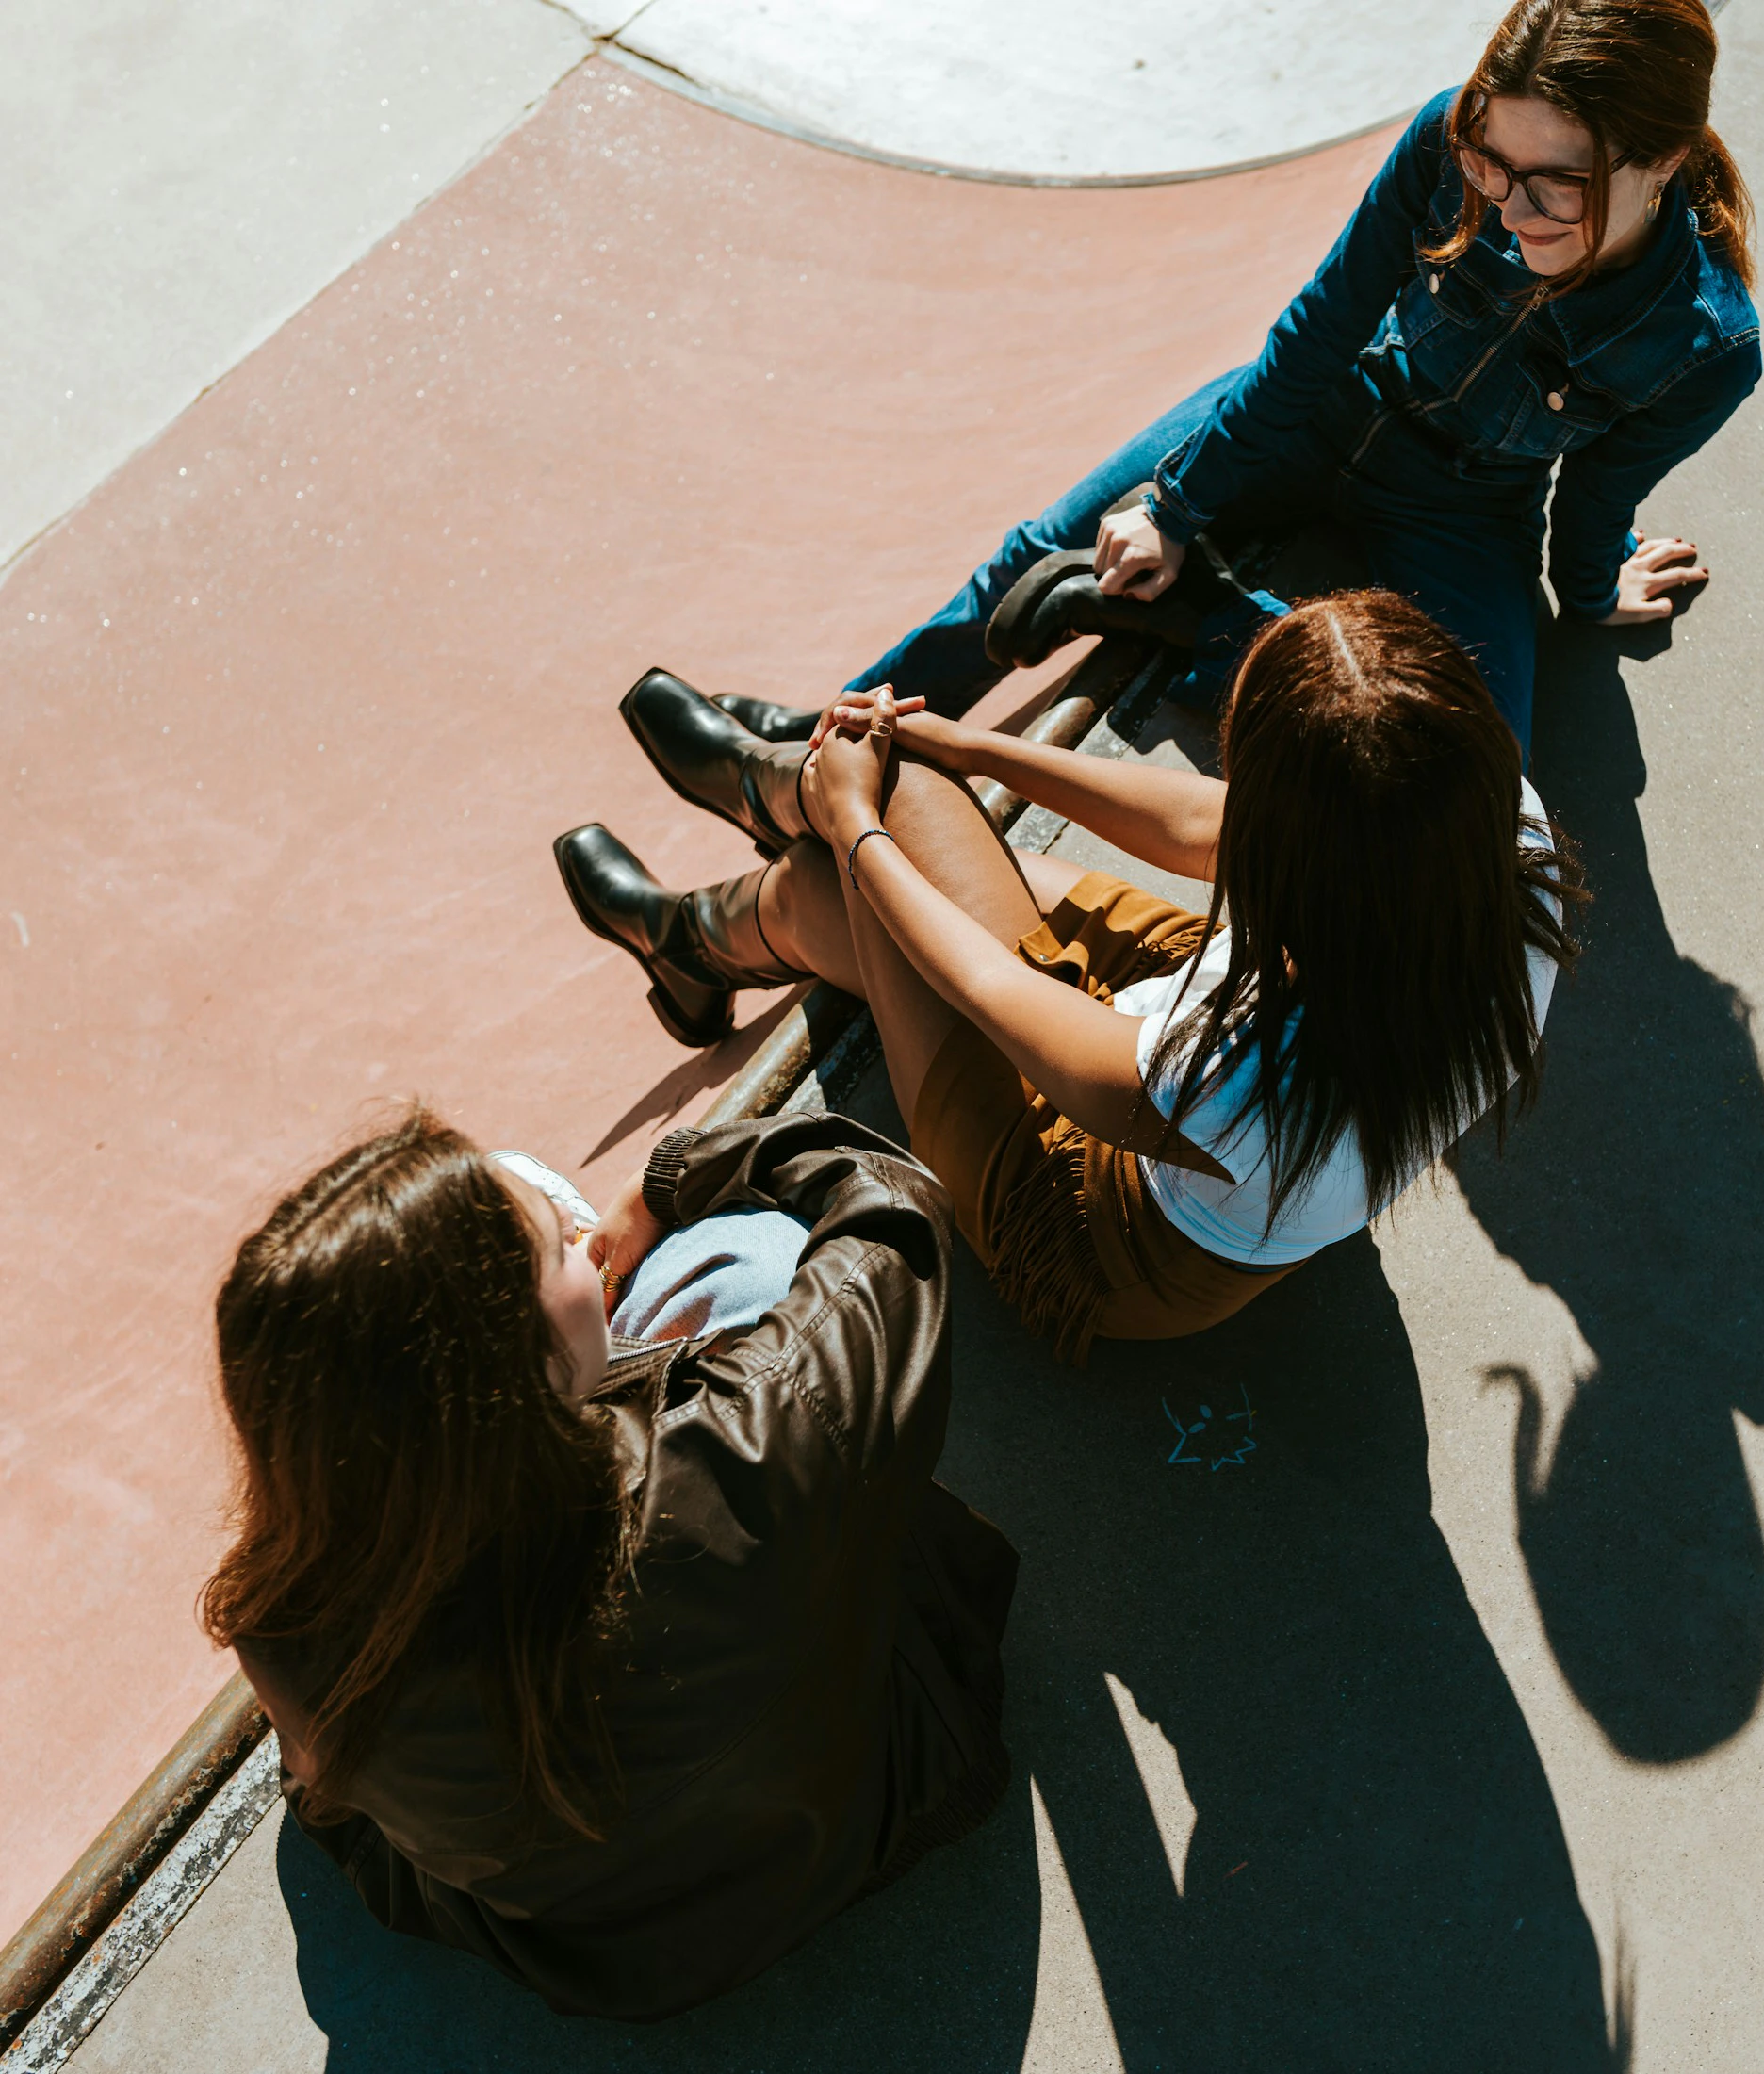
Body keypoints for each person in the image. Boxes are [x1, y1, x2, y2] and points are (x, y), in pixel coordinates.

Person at [714, 0, 1760, 760]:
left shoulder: (1703, 345)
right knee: (1052, 549)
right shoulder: (1447, 139)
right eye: (1493, 163)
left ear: (1660, 159)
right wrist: (1177, 504)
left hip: (1458, 505)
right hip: (1321, 406)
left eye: (1554, 187)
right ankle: (825, 748)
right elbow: (1315, 332)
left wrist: (1587, 594)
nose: (1505, 205)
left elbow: (1594, 495)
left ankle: (1215, 619)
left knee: (1465, 760)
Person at [561, 591, 1585, 1364]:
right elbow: (1202, 827)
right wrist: (977, 747)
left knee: (884, 833)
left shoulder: (1228, 1075)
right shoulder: (1494, 847)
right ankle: (718, 895)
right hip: (1257, 1028)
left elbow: (991, 991)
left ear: (1292, 864)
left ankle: (739, 866)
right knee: (909, 814)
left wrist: (855, 823)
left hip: (1090, 1229)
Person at [204, 1104, 1016, 2020]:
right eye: (559, 1249)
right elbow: (890, 1204)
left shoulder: (283, 1625)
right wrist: (670, 1173)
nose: (587, 1251)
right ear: (512, 1366)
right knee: (749, 1247)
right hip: (882, 1796)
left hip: (609, 1956)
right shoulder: (751, 1439)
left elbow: (332, 1799)